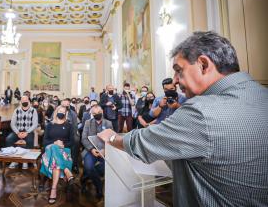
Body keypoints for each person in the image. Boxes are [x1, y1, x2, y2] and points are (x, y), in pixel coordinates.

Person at [98, 31, 268, 206]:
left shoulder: (201, 112)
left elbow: (141, 143)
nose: (176, 81)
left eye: (179, 71)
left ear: (203, 64)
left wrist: (112, 137)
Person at [40, 106, 75, 204]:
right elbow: (45, 141)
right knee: (53, 147)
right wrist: (55, 142)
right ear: (56, 112)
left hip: (64, 151)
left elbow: (72, 142)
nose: (61, 113)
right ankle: (67, 171)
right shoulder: (50, 125)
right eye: (59, 111)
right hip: (49, 150)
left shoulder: (69, 125)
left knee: (55, 160)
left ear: (66, 114)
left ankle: (53, 190)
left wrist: (63, 145)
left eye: (63, 112)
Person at [81, 105, 112, 199]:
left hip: (104, 151)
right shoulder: (87, 123)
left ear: (102, 111)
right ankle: (99, 187)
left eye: (98, 112)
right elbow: (84, 138)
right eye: (94, 113)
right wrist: (91, 149)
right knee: (89, 167)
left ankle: (86, 176)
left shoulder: (108, 123)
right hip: (91, 151)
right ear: (91, 114)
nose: (96, 114)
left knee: (106, 168)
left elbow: (112, 138)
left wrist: (105, 149)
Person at [6, 96, 38, 169]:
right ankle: (14, 160)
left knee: (30, 140)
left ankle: (25, 161)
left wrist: (26, 132)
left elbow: (35, 124)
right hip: (18, 131)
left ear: (29, 101)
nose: (24, 102)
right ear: (20, 102)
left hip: (29, 131)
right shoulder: (16, 110)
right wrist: (17, 132)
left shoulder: (33, 110)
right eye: (23, 100)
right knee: (8, 139)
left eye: (26, 100)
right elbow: (12, 124)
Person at [60, 98, 80, 173]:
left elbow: (75, 127)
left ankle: (74, 164)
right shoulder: (57, 112)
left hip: (70, 134)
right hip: (59, 134)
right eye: (63, 105)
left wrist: (73, 136)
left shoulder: (73, 114)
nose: (65, 106)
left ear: (69, 105)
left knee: (76, 141)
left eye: (67, 105)